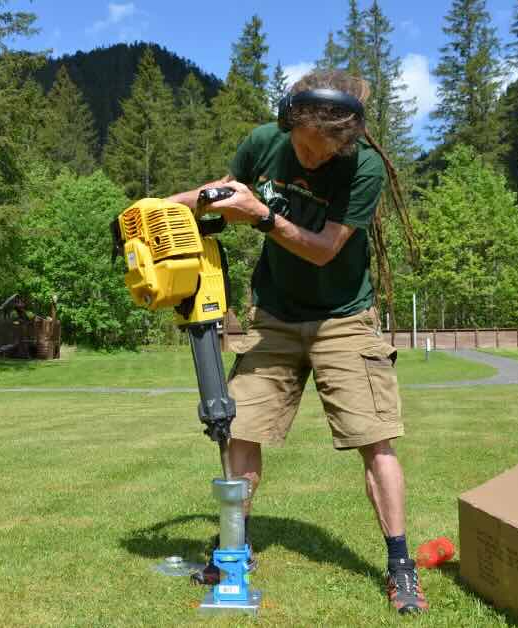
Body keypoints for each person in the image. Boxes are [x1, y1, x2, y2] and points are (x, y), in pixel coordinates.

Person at [164, 68, 426, 615]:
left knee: (373, 437)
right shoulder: (265, 141)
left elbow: (325, 248)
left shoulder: (364, 166)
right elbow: (220, 193)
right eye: (303, 148)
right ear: (290, 122)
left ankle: (401, 565)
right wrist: (157, 209)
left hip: (344, 317)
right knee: (241, 428)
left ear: (347, 139)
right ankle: (234, 550)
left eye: (322, 154)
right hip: (276, 314)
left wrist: (261, 217)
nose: (310, 160)